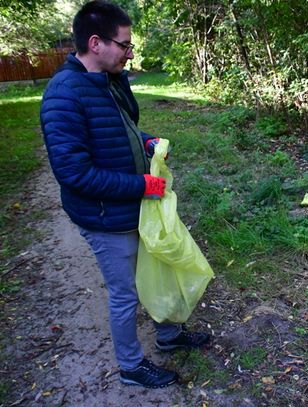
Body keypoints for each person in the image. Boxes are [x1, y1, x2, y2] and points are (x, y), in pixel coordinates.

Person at [40, 1, 210, 388]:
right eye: (125, 44)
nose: (130, 52)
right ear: (96, 42)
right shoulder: (63, 95)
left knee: (158, 271)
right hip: (105, 216)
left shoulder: (111, 78)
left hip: (136, 206)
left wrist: (146, 141)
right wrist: (141, 185)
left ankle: (168, 337)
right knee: (125, 293)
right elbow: (72, 172)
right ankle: (132, 367)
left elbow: (121, 129)